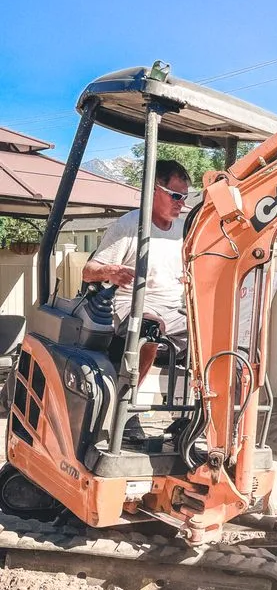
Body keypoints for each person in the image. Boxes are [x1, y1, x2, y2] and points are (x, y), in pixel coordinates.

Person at [82, 159, 191, 440]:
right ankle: (125, 409)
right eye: (176, 196)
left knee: (210, 335)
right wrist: (112, 271)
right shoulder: (130, 225)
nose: (181, 203)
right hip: (131, 302)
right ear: (154, 190)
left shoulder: (185, 230)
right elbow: (88, 271)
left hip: (174, 306)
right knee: (151, 327)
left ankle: (190, 416)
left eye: (185, 197)